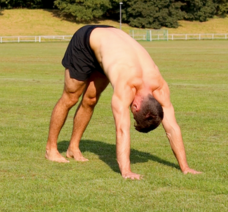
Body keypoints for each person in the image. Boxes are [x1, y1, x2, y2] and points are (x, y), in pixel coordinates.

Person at [45, 25, 201, 179]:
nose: (130, 113)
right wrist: (126, 171)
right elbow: (122, 129)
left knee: (91, 99)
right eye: (133, 114)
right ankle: (51, 149)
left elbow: (172, 128)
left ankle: (73, 148)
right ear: (136, 106)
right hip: (87, 40)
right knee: (71, 96)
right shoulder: (126, 86)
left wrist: (185, 167)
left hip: (108, 46)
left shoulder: (159, 88)